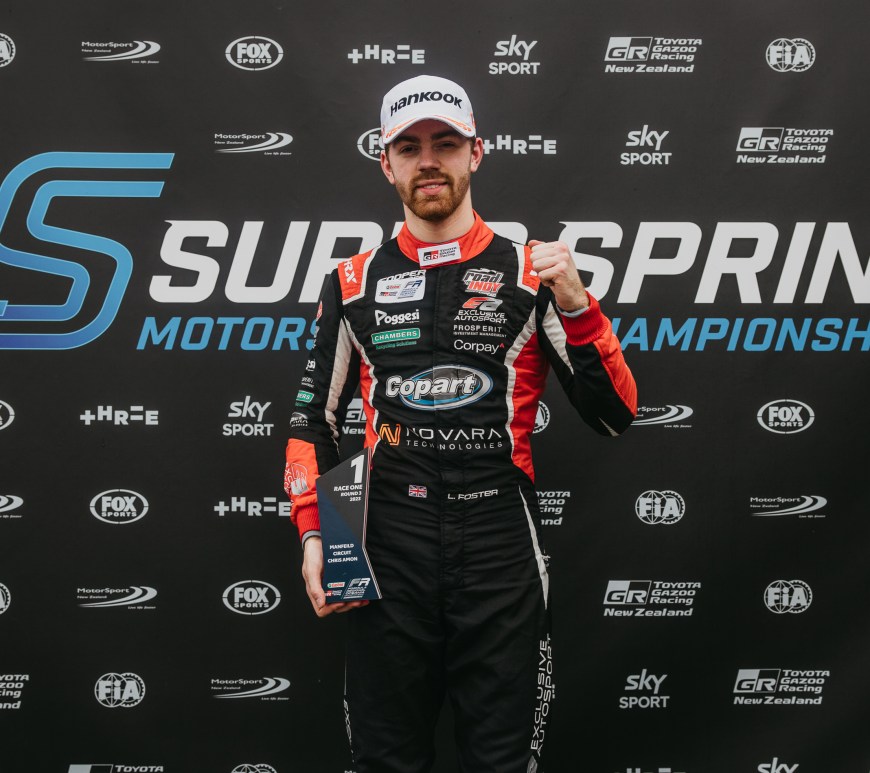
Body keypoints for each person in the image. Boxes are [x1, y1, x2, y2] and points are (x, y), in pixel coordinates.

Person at [284, 74, 637, 773]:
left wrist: (577, 303)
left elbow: (614, 417)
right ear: (385, 163)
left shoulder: (531, 272)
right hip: (385, 542)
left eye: (446, 143)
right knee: (385, 760)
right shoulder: (351, 281)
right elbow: (311, 421)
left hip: (499, 541)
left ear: (477, 153)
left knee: (502, 763)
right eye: (409, 147)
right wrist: (315, 530)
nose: (429, 161)